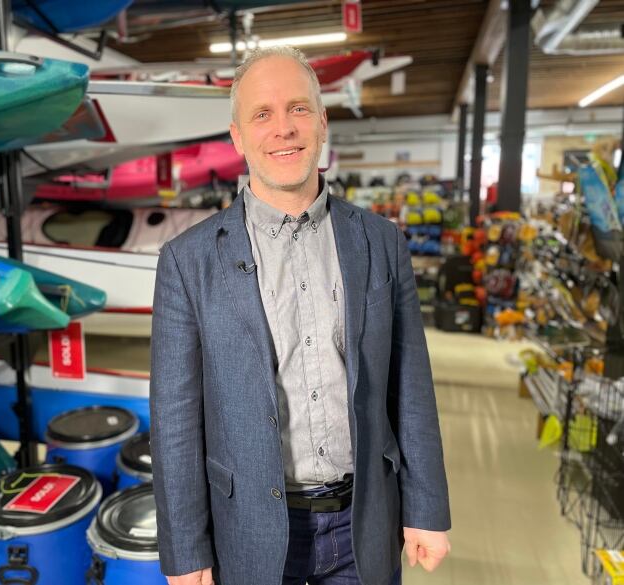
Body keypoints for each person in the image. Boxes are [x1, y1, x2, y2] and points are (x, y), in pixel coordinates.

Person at [149, 46, 451, 585]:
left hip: (366, 523)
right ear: (238, 137)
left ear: (322, 122)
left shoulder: (380, 241)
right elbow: (174, 420)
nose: (283, 128)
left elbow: (411, 386)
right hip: (250, 531)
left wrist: (425, 510)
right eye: (262, 114)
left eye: (298, 109)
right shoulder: (187, 261)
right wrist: (185, 547)